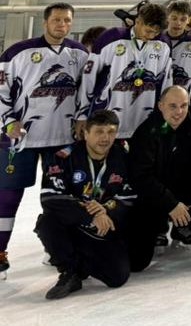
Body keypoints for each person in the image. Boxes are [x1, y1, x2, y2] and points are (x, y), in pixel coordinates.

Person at [0, 2, 88, 277]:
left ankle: (57, 249)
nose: (62, 25)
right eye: (57, 20)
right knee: (8, 196)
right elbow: (1, 90)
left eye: (67, 20)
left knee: (58, 198)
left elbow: (87, 91)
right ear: (45, 22)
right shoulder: (18, 52)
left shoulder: (80, 53)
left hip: (62, 138)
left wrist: (82, 118)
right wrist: (8, 121)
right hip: (22, 139)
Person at [36, 110, 135, 300]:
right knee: (47, 222)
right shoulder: (63, 157)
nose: (105, 138)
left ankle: (80, 264)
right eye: (99, 132)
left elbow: (130, 196)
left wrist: (106, 209)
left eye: (111, 132)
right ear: (86, 133)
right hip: (74, 225)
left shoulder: (123, 157)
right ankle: (69, 271)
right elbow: (50, 198)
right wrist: (92, 214)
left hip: (104, 229)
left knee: (117, 277)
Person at [127, 86, 191, 271]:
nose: (179, 112)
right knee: (136, 263)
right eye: (173, 106)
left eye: (183, 105)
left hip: (186, 186)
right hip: (155, 195)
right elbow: (141, 177)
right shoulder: (147, 132)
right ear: (160, 106)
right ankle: (158, 228)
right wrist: (171, 203)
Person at [81, 3, 174, 141]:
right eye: (148, 31)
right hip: (108, 119)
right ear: (138, 21)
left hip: (144, 121)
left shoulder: (163, 43)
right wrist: (82, 114)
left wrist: (166, 116)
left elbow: (166, 83)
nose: (151, 36)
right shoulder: (111, 37)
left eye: (156, 32)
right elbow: (88, 77)